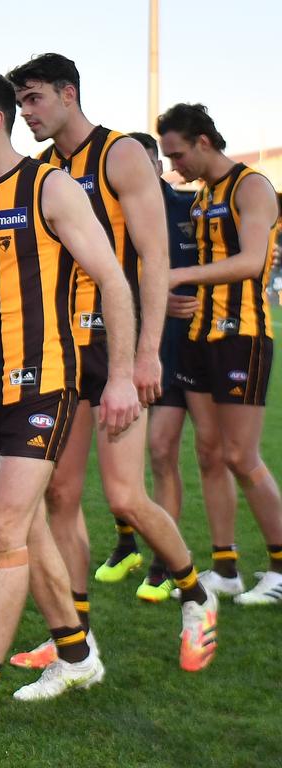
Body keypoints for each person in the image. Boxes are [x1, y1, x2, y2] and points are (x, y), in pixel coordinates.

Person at [0, 69, 137, 732]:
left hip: (46, 385)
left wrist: (121, 374)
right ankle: (76, 653)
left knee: (4, 528)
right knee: (27, 527)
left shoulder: (52, 188)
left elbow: (113, 281)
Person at [5, 53, 216, 675]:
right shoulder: (44, 171)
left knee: (124, 495)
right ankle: (78, 640)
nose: (27, 113)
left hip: (118, 349)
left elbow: (153, 259)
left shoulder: (120, 155)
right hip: (64, 353)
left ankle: (197, 597)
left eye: (36, 99)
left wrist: (145, 355)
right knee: (61, 497)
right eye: (20, 104)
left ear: (68, 95)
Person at [159, 103, 282, 605]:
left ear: (204, 142)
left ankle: (279, 568)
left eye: (179, 154)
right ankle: (225, 567)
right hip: (198, 337)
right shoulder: (201, 196)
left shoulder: (252, 186)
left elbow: (253, 261)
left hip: (242, 334)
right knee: (208, 454)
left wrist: (180, 277)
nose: (175, 166)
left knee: (240, 456)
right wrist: (169, 294)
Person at [128, 131, 234, 603]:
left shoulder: (191, 207)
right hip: (151, 348)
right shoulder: (117, 212)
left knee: (217, 453)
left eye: (153, 159)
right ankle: (165, 562)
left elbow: (236, 254)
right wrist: (149, 299)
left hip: (201, 346)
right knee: (160, 450)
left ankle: (227, 562)